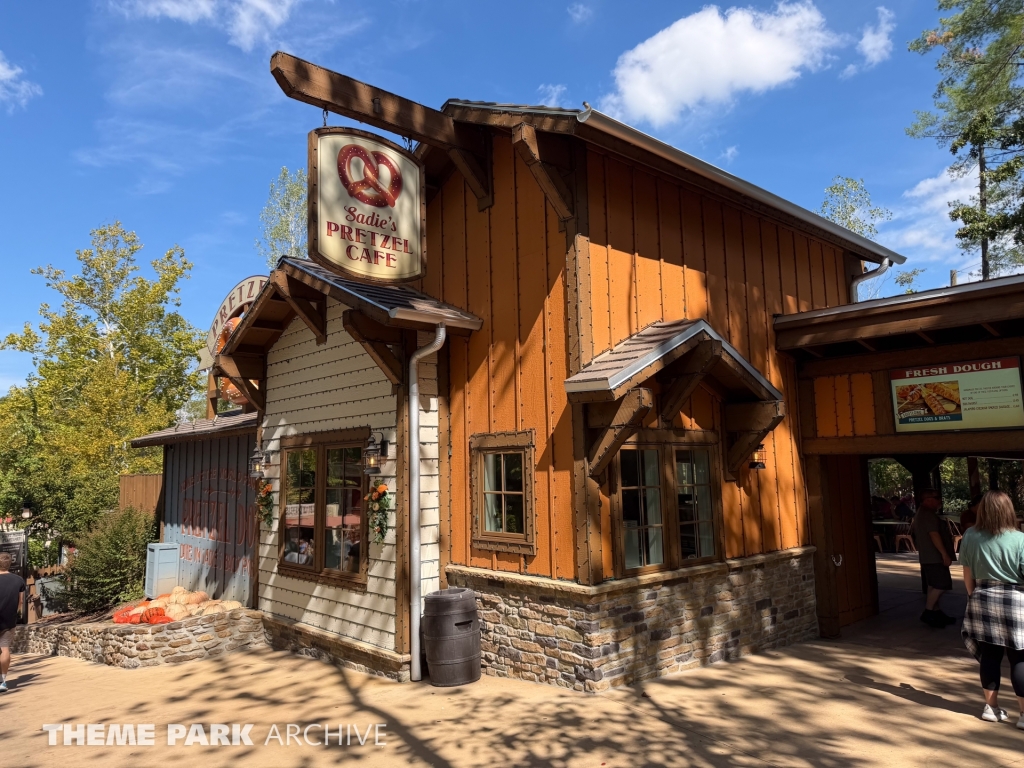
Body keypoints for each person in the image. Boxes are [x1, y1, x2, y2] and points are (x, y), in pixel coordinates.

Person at [959, 491, 1024, 726]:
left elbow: (967, 575)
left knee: (990, 655)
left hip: (982, 597)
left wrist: (973, 597)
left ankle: (991, 708)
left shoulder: (970, 535)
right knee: (1019, 658)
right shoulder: (1020, 539)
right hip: (1015, 599)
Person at [911, 488, 957, 628]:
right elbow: (934, 534)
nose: (939, 501)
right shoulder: (928, 515)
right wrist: (944, 553)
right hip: (934, 556)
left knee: (933, 585)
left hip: (928, 556)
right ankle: (928, 611)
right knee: (941, 584)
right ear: (928, 500)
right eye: (937, 498)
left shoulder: (922, 513)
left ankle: (936, 612)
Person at [0, 551, 26, 693]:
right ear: (9, 564)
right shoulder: (18, 580)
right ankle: (3, 681)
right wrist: (15, 614)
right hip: (8, 620)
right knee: (4, 648)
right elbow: (20, 601)